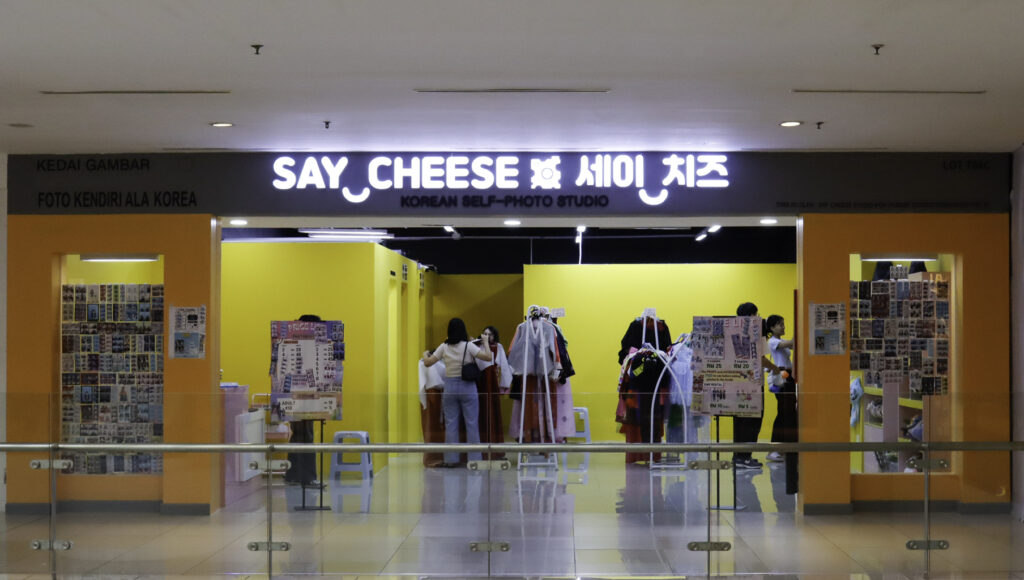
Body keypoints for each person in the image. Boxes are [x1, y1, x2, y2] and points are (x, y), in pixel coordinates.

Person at [422, 317, 493, 467]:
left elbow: (428, 363)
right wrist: (486, 342)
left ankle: (451, 459)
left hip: (450, 387)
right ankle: (474, 458)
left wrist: (424, 353)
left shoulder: (444, 347)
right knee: (472, 423)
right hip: (468, 387)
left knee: (451, 424)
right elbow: (488, 357)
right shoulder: (468, 346)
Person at [733, 302, 783, 470]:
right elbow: (760, 359)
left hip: (738, 384)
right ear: (751, 315)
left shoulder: (733, 332)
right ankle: (745, 457)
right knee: (753, 421)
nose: (758, 317)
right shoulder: (756, 332)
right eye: (755, 314)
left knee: (740, 421)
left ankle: (739, 456)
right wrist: (775, 368)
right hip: (753, 384)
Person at [284, 314, 322, 487]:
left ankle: (293, 474)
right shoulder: (305, 349)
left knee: (299, 436)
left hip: (296, 398)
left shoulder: (293, 346)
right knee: (305, 436)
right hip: (301, 398)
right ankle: (307, 477)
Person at [475, 326, 512, 458]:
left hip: (491, 384)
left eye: (489, 334)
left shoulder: (498, 347)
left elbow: (504, 367)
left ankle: (495, 451)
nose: (486, 336)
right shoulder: (476, 346)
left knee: (493, 414)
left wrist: (504, 385)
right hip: (479, 384)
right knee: (480, 415)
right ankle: (480, 451)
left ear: (494, 336)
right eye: (484, 333)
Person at [764, 315, 795, 463]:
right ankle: (774, 448)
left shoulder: (781, 341)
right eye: (780, 325)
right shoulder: (773, 342)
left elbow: (793, 345)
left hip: (788, 376)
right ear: (772, 327)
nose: (783, 327)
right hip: (782, 376)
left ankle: (783, 447)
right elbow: (792, 343)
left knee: (788, 413)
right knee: (783, 413)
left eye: (783, 324)